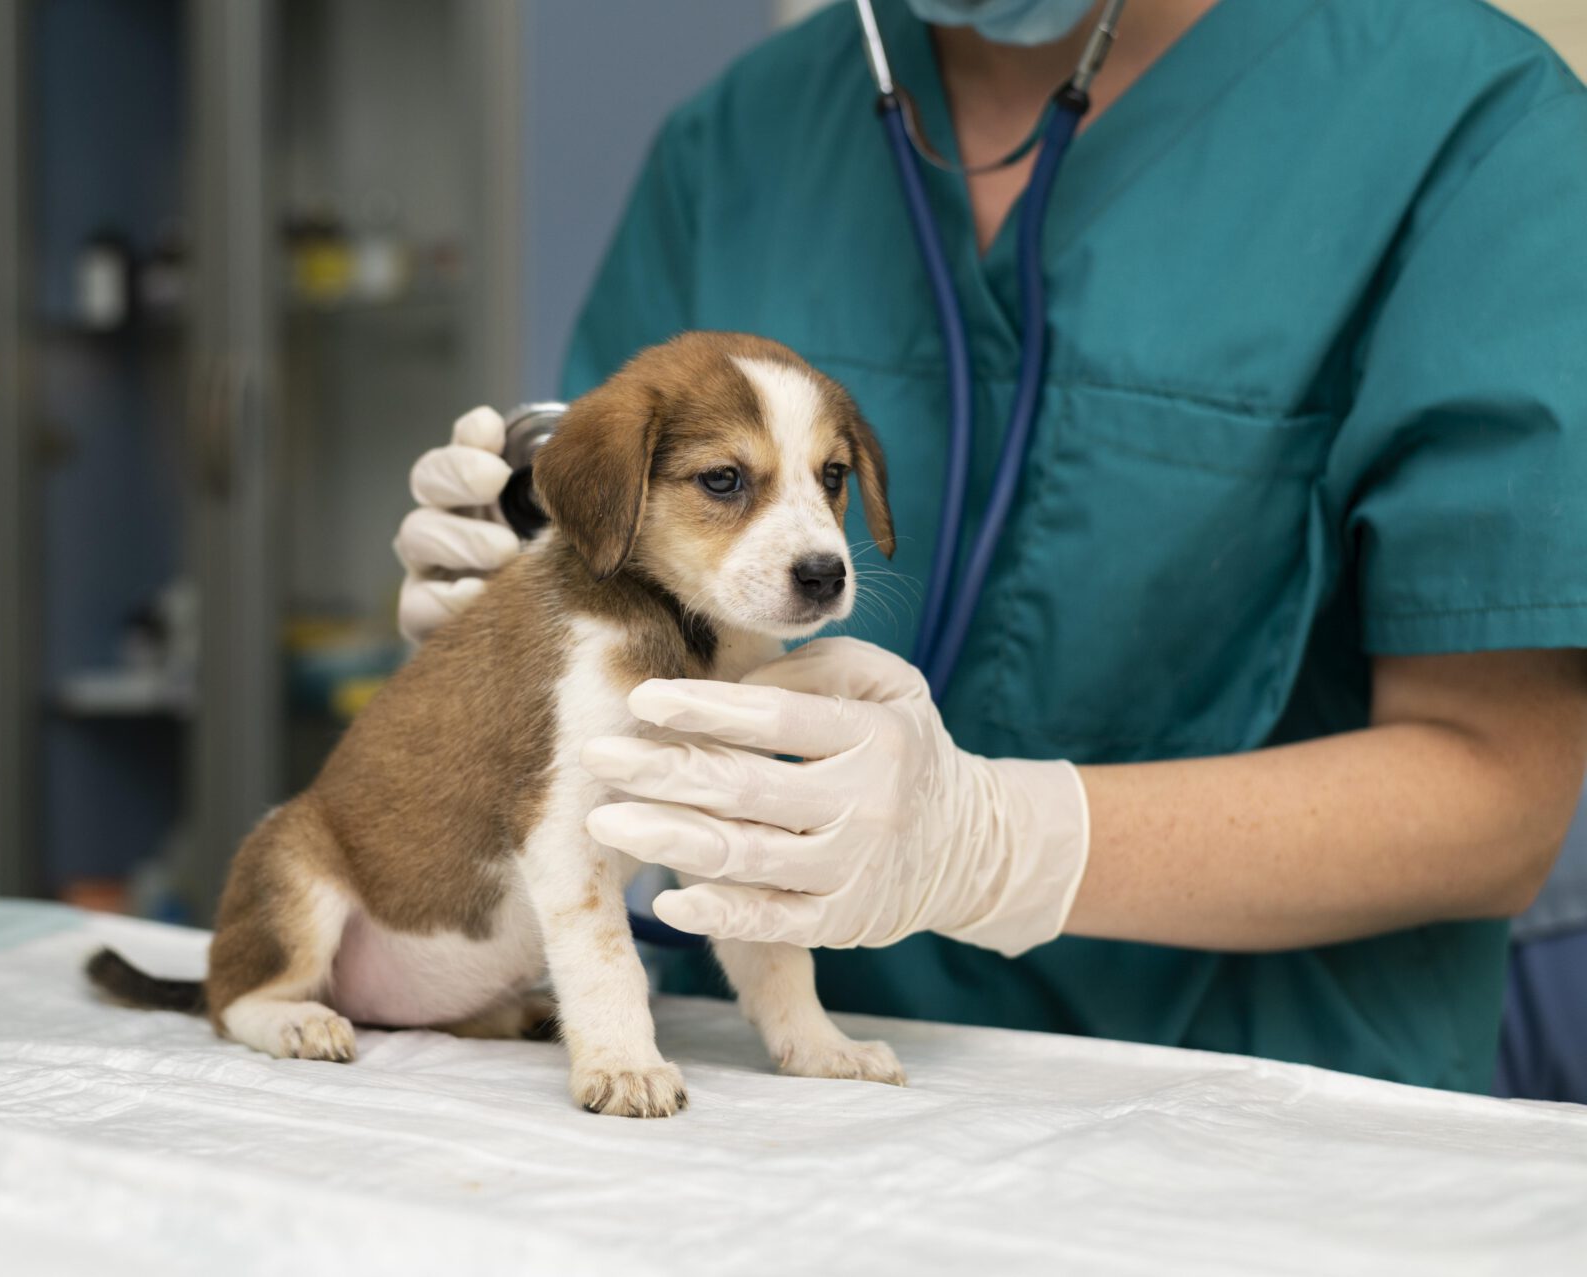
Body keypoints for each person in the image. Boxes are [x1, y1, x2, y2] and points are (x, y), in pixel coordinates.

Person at [395, 0, 1587, 1093]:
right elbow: (624, 561)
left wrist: (993, 843)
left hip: (1254, 1113)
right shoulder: (740, 140)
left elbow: (1500, 795)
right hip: (774, 1091)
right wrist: (524, 608)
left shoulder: (1467, 127)